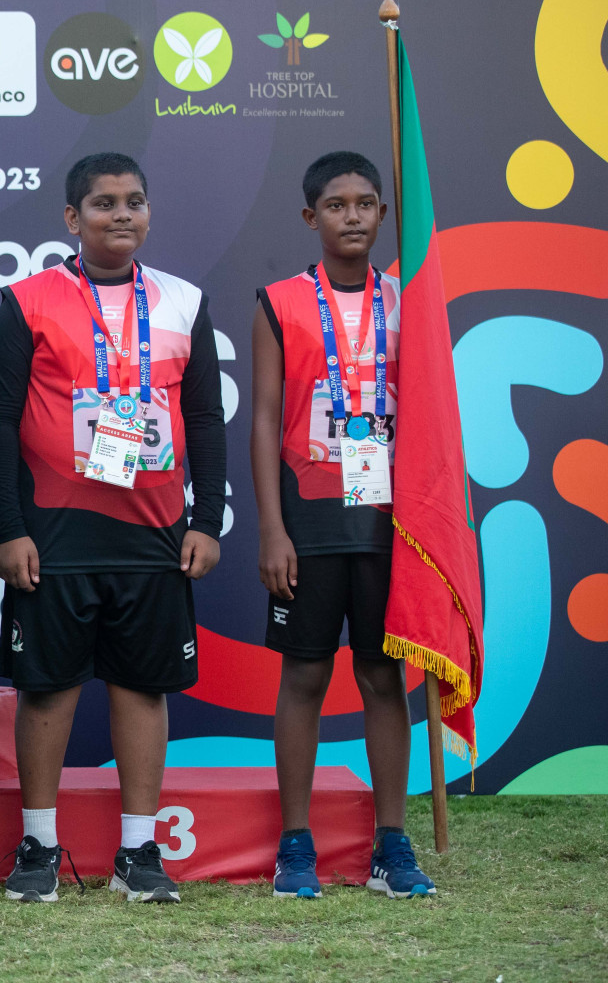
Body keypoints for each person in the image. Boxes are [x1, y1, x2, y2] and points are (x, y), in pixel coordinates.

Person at [0, 153, 226, 903]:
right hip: (54, 533)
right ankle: (40, 845)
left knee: (141, 688)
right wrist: (11, 529)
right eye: (102, 204)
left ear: (148, 213)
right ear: (71, 219)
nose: (120, 215)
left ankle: (138, 850)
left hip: (154, 532)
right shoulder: (27, 299)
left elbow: (205, 419)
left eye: (133, 202)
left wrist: (207, 519)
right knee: (47, 690)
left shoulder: (183, 301)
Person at [252, 151, 435, 899]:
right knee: (304, 675)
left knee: (382, 675)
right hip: (311, 517)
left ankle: (392, 846)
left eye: (366, 203)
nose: (353, 215)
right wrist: (272, 528)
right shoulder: (280, 301)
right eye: (336, 205)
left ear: (385, 216)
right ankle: (296, 844)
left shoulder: (411, 301)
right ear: (310, 217)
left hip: (392, 522)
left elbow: (435, 418)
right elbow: (264, 421)